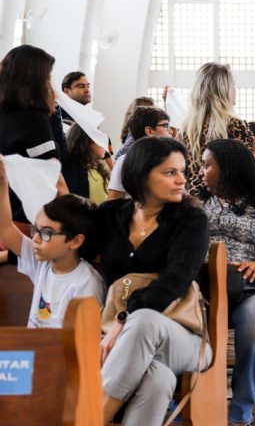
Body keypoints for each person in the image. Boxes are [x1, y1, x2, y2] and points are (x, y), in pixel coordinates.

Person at [83, 137, 212, 426]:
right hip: (120, 336)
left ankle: (91, 418)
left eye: (182, 171)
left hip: (182, 336)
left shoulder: (191, 220)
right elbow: (73, 253)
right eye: (170, 172)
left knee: (143, 322)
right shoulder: (110, 215)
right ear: (141, 175)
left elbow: (176, 280)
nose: (182, 180)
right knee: (157, 377)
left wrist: (122, 319)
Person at [200, 139, 255, 426]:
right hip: (201, 284)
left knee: (252, 324)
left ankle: (240, 411)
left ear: (227, 169)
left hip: (248, 285)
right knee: (177, 322)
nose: (201, 171)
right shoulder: (199, 199)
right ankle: (191, 401)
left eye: (206, 165)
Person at [0, 159, 102, 328]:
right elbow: (5, 227)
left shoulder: (86, 283)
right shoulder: (42, 263)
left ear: (76, 241)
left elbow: (83, 341)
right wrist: (3, 180)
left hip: (56, 354)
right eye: (37, 230)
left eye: (46, 233)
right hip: (32, 353)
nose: (36, 239)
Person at [0, 45, 69, 223]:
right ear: (35, 80)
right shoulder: (32, 120)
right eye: (48, 77)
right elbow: (55, 184)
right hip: (26, 222)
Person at [178, 62, 255, 197]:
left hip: (195, 206)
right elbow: (246, 173)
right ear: (224, 90)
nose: (235, 90)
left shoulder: (185, 129)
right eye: (233, 85)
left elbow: (184, 175)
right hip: (228, 206)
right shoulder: (236, 126)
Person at [109, 107, 173, 200]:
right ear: (149, 131)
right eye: (166, 126)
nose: (171, 131)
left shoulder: (170, 159)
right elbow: (114, 199)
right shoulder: (125, 161)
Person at [62, 124, 110, 204]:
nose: (105, 145)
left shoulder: (100, 167)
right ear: (88, 142)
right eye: (100, 140)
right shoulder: (73, 167)